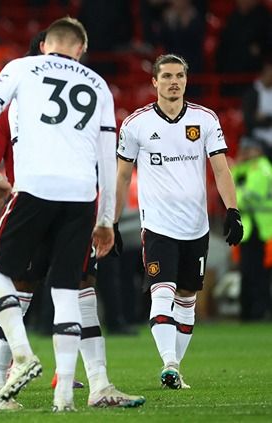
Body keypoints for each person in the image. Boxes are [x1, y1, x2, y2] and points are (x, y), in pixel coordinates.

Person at [0, 17, 117, 412]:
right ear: (81, 49)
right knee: (67, 291)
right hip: (83, 196)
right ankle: (64, 396)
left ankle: (21, 355)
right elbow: (108, 158)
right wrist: (107, 219)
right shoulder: (99, 84)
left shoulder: (21, 68)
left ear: (45, 45)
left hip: (34, 189)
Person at [114, 53, 243, 390]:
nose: (174, 82)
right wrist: (110, 222)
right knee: (162, 290)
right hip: (157, 225)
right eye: (167, 76)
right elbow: (122, 176)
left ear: (186, 80)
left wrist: (232, 210)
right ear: (154, 82)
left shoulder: (205, 119)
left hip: (196, 227)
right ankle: (168, 362)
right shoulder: (136, 124)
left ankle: (174, 369)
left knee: (187, 298)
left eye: (180, 76)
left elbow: (220, 168)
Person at [232, 137, 272, 320]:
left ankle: (258, 311)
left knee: (258, 273)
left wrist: (234, 197)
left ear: (258, 150)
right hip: (250, 229)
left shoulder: (262, 168)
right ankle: (248, 312)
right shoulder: (246, 168)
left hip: (263, 229)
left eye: (249, 149)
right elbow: (227, 186)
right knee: (248, 271)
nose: (245, 153)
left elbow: (247, 198)